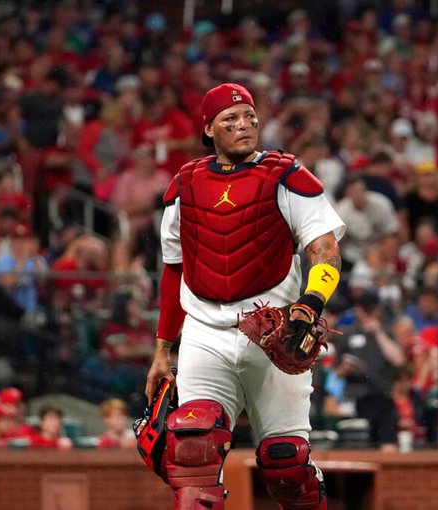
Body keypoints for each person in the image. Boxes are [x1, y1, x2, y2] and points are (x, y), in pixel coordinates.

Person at [145, 83, 345, 510]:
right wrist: (162, 349)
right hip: (204, 333)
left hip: (275, 330)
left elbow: (325, 248)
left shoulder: (287, 176)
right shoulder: (185, 184)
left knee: (287, 465)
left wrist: (311, 304)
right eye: (231, 119)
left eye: (250, 117)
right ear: (209, 129)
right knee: (193, 453)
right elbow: (174, 269)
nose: (244, 125)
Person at [333, 291, 406, 450]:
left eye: (372, 310)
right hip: (356, 399)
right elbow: (336, 373)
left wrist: (378, 333)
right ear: (357, 309)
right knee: (357, 448)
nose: (368, 314)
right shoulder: (347, 334)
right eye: (365, 310)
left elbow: (399, 360)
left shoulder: (386, 331)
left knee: (388, 446)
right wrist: (346, 368)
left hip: (383, 397)